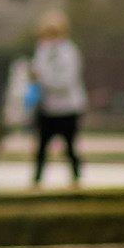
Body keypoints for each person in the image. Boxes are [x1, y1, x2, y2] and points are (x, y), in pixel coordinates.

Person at [29, 10, 85, 187]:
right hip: (48, 107)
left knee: (70, 147)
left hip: (68, 107)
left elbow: (66, 81)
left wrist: (43, 79)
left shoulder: (69, 52)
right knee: (41, 147)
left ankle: (76, 179)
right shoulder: (42, 50)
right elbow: (37, 70)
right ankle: (37, 181)